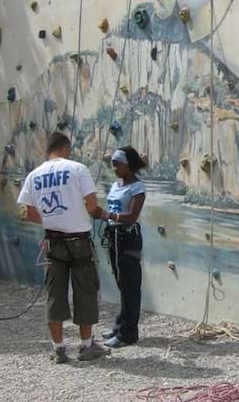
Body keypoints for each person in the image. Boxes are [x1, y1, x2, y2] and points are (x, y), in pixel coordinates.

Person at [17, 132, 113, 364]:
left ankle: (58, 350)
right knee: (85, 291)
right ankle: (86, 347)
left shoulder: (34, 175)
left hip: (53, 242)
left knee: (54, 294)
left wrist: (52, 219)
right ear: (66, 148)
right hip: (79, 241)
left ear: (47, 149)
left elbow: (28, 213)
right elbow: (91, 205)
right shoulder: (78, 168)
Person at [100, 147, 147, 348]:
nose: (115, 168)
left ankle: (128, 333)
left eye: (118, 164)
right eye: (113, 164)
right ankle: (121, 324)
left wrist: (107, 216)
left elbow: (132, 216)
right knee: (122, 282)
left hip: (128, 237)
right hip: (114, 236)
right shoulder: (115, 185)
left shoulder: (137, 188)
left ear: (129, 166)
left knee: (131, 284)